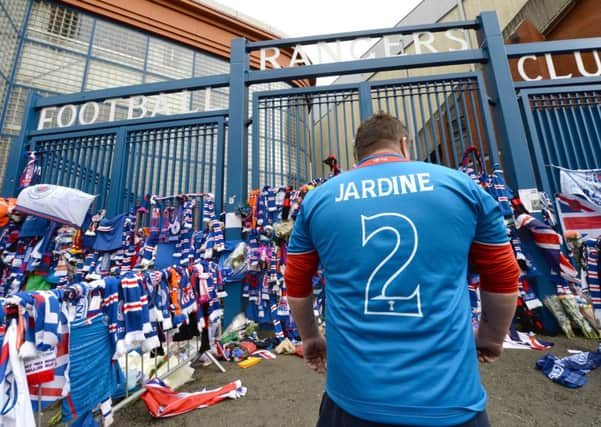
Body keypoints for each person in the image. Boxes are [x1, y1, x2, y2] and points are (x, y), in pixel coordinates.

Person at [284, 112, 519, 427]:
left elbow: (296, 283)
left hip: (353, 398)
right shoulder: (460, 187)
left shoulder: (319, 200)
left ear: (358, 154)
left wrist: (311, 337)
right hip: (451, 397)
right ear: (404, 144)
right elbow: (503, 276)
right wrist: (491, 338)